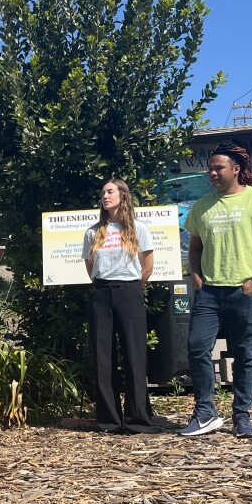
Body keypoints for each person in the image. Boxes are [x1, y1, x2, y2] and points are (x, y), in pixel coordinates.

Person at [178, 143, 252, 438]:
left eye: (218, 168)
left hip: (244, 291)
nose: (212, 173)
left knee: (244, 354)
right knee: (197, 347)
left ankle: (242, 416)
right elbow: (195, 246)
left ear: (236, 169)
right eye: (210, 169)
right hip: (210, 292)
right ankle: (205, 412)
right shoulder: (201, 206)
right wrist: (196, 277)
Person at [82, 178, 154, 434]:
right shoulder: (93, 231)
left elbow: (147, 266)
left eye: (110, 191)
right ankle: (109, 420)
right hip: (101, 293)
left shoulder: (138, 229)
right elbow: (90, 266)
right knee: (103, 357)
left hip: (129, 291)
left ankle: (137, 420)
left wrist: (133, 287)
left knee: (134, 355)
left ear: (123, 196)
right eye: (103, 193)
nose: (105, 196)